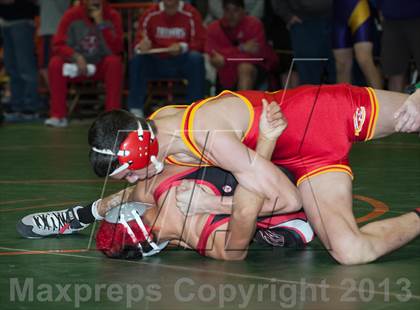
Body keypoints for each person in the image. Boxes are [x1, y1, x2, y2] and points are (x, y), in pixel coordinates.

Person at [88, 83, 420, 265]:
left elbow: (286, 199)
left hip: (324, 114)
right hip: (304, 161)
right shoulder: (161, 127)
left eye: (129, 173)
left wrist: (213, 206)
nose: (133, 180)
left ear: (140, 151)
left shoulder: (203, 134)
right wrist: (87, 213)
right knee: (350, 251)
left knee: (414, 111)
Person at [17, 102, 314, 260]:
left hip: (259, 160)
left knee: (146, 186)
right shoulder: (211, 241)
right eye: (125, 218)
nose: (128, 208)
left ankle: (80, 215)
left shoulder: (158, 185)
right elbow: (258, 206)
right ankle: (82, 215)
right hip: (283, 200)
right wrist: (266, 141)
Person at [45, 0, 123, 128]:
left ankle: (112, 117)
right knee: (55, 63)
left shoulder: (112, 16)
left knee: (114, 62)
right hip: (75, 65)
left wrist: (102, 24)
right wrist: (75, 56)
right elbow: (58, 44)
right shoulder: (71, 15)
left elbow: (116, 49)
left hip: (99, 65)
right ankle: (58, 116)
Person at [127, 0, 206, 117]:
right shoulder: (150, 14)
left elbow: (200, 42)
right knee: (137, 60)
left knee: (196, 59)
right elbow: (139, 41)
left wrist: (182, 47)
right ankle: (135, 110)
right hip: (156, 61)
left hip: (182, 60)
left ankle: (195, 109)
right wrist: (142, 45)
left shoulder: (191, 13)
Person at [206, 0, 278, 91]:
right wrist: (242, 48)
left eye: (235, 10)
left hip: (255, 71)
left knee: (245, 67)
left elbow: (255, 57)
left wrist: (225, 57)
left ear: (244, 11)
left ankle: (242, 103)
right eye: (227, 10)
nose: (231, 15)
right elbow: (214, 57)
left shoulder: (254, 24)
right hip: (225, 74)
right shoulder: (214, 28)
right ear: (223, 11)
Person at [271, 0, 335, 85]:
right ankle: (310, 97)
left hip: (337, 19)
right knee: (309, 75)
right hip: (303, 23)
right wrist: (287, 15)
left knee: (340, 68)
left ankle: (344, 97)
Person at [0, 0, 41, 122]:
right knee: (11, 67)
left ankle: (30, 106)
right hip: (5, 23)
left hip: (23, 21)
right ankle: (16, 105)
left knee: (25, 66)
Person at [332, 0, 382, 88]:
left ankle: (379, 99)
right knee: (341, 65)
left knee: (364, 60)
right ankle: (343, 101)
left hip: (359, 8)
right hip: (338, 11)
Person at [377, 0, 420, 92]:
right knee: (394, 73)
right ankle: (396, 106)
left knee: (395, 75)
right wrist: (380, 6)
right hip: (391, 18)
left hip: (416, 16)